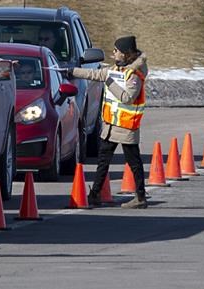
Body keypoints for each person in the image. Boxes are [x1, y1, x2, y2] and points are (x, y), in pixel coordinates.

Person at [63, 35, 149, 209]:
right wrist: (72, 71)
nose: (113, 53)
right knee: (103, 161)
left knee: (134, 162)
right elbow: (96, 74)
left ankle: (140, 197)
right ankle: (94, 195)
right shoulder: (118, 69)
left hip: (126, 126)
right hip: (111, 125)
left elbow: (127, 98)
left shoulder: (134, 75)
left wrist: (110, 83)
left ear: (125, 54)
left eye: (116, 51)